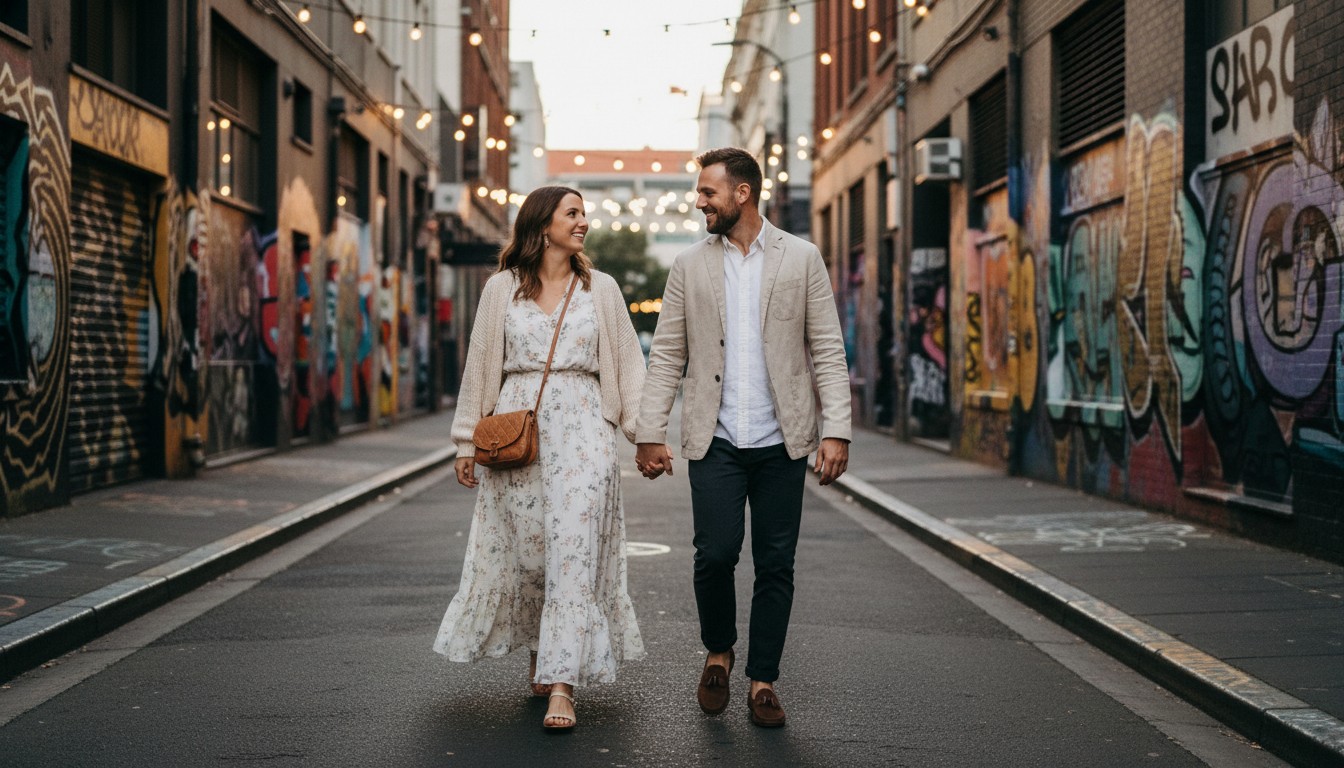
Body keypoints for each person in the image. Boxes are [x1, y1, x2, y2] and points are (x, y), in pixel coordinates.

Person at [635, 148, 851, 728]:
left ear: (743, 194)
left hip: (783, 439)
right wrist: (650, 432)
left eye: (708, 192)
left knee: (776, 561)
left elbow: (826, 348)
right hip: (717, 437)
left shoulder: (801, 258)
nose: (699, 201)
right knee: (715, 554)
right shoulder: (689, 265)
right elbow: (669, 356)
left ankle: (763, 681)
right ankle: (719, 652)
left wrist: (837, 429)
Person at [434, 186, 647, 731]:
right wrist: (466, 442)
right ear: (542, 225)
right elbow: (481, 365)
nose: (583, 223)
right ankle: (541, 652)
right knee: (532, 558)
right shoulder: (501, 289)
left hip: (584, 433)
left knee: (574, 552)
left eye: (583, 214)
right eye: (572, 214)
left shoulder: (601, 288)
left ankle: (562, 686)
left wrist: (647, 435)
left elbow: (626, 364)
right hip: (517, 434)